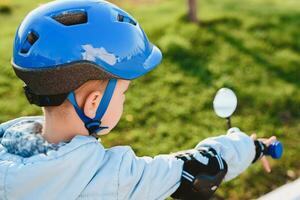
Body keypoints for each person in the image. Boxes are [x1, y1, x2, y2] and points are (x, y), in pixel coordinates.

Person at [0, 0, 276, 199]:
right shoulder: (113, 179)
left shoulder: (7, 156)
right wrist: (251, 146)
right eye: (123, 93)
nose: (124, 100)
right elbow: (199, 168)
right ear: (93, 103)